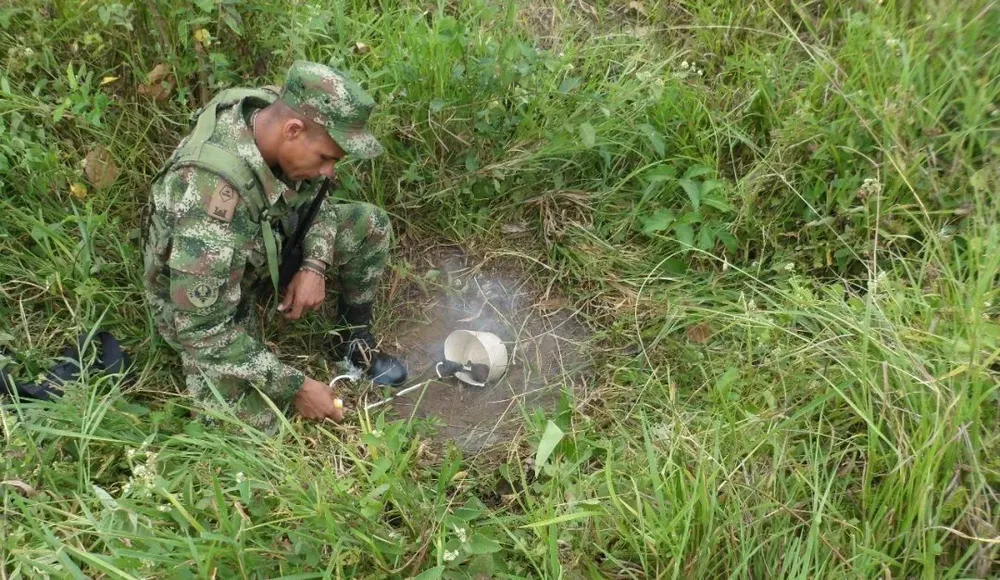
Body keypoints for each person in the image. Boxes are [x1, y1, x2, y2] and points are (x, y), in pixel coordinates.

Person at [142, 61, 407, 431]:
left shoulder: (274, 118)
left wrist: (314, 265)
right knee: (258, 428)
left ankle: (352, 342)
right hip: (207, 301)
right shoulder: (211, 203)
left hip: (260, 244)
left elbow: (318, 204)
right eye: (326, 158)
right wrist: (296, 387)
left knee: (370, 225)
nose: (330, 171)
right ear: (293, 130)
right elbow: (202, 331)